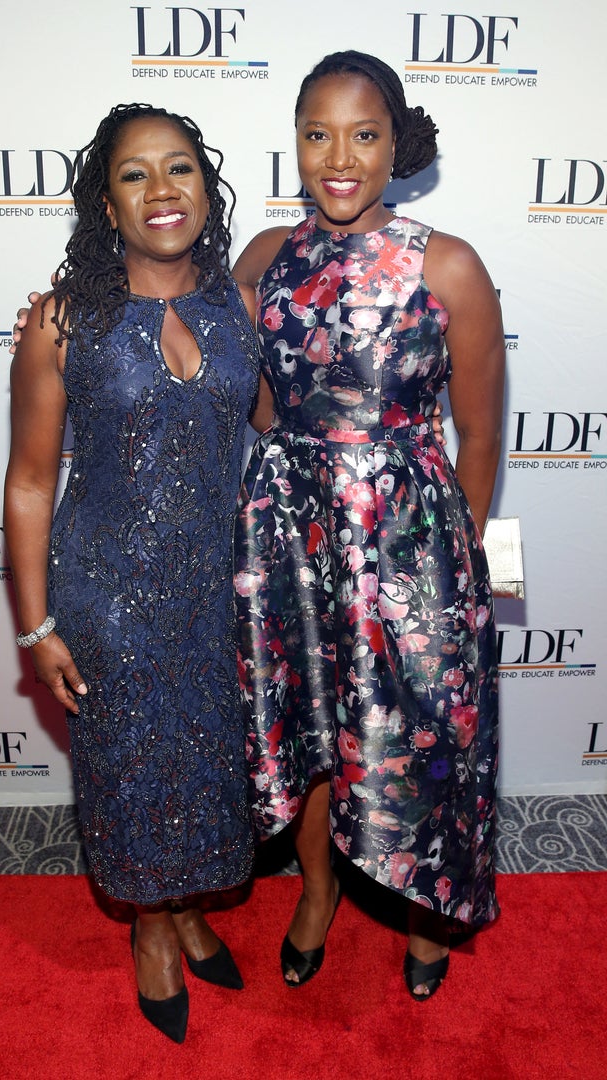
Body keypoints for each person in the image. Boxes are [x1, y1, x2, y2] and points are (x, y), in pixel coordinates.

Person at [232, 50, 504, 999]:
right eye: (317, 134)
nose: (338, 157)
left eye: (363, 133)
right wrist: (73, 312)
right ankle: (317, 894)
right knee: (308, 732)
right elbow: (223, 378)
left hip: (411, 549)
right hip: (292, 542)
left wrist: (449, 561)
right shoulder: (264, 259)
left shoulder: (449, 266)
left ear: (398, 142)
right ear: (296, 144)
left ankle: (427, 913)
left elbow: (477, 436)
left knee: (422, 736)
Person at [3, 102, 272, 1043]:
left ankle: (190, 904)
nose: (162, 190)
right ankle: (153, 930)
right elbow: (33, 482)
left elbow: (285, 441)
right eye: (133, 174)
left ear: (207, 183)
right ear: (103, 204)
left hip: (218, 602)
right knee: (129, 777)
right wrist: (36, 628)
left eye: (181, 168)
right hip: (107, 601)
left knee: (204, 776)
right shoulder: (63, 320)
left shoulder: (241, 305)